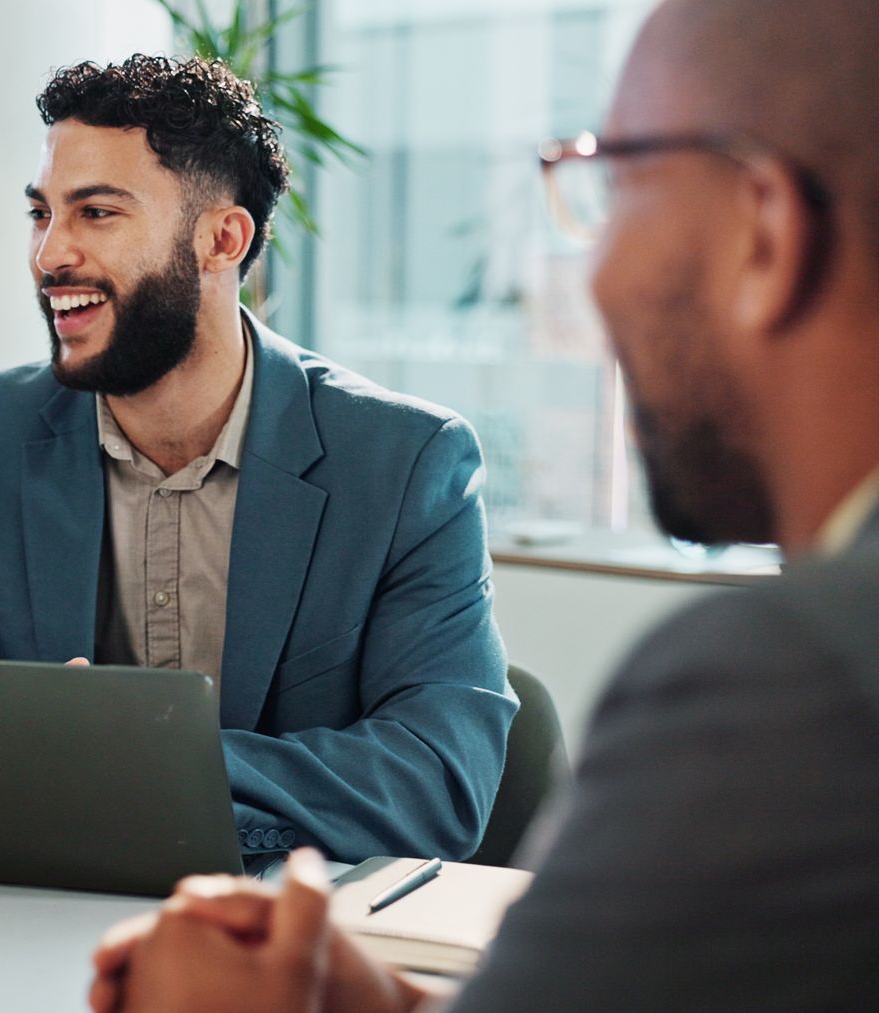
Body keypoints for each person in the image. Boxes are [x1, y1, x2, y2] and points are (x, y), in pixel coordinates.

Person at [87, 0, 879, 1008]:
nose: (589, 272)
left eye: (615, 183)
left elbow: (433, 774)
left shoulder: (793, 683)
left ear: (764, 232)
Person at [0, 55, 516, 863]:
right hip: (30, 919)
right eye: (42, 214)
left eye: (96, 213)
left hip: (279, 935)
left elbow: (438, 780)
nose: (49, 255)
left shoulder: (406, 463)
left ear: (221, 239)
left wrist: (140, 764)